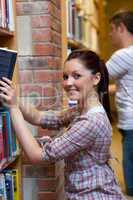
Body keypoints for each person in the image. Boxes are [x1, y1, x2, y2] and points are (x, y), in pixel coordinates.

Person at [0, 49, 125, 199]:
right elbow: (39, 117)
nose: (68, 83)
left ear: (96, 78)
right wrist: (14, 98)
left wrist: (13, 107)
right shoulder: (81, 110)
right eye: (65, 76)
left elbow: (36, 156)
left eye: (76, 76)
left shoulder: (91, 122)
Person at [106, 10, 133, 196]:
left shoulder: (123, 55)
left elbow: (95, 79)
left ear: (121, 28)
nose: (110, 34)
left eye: (112, 29)